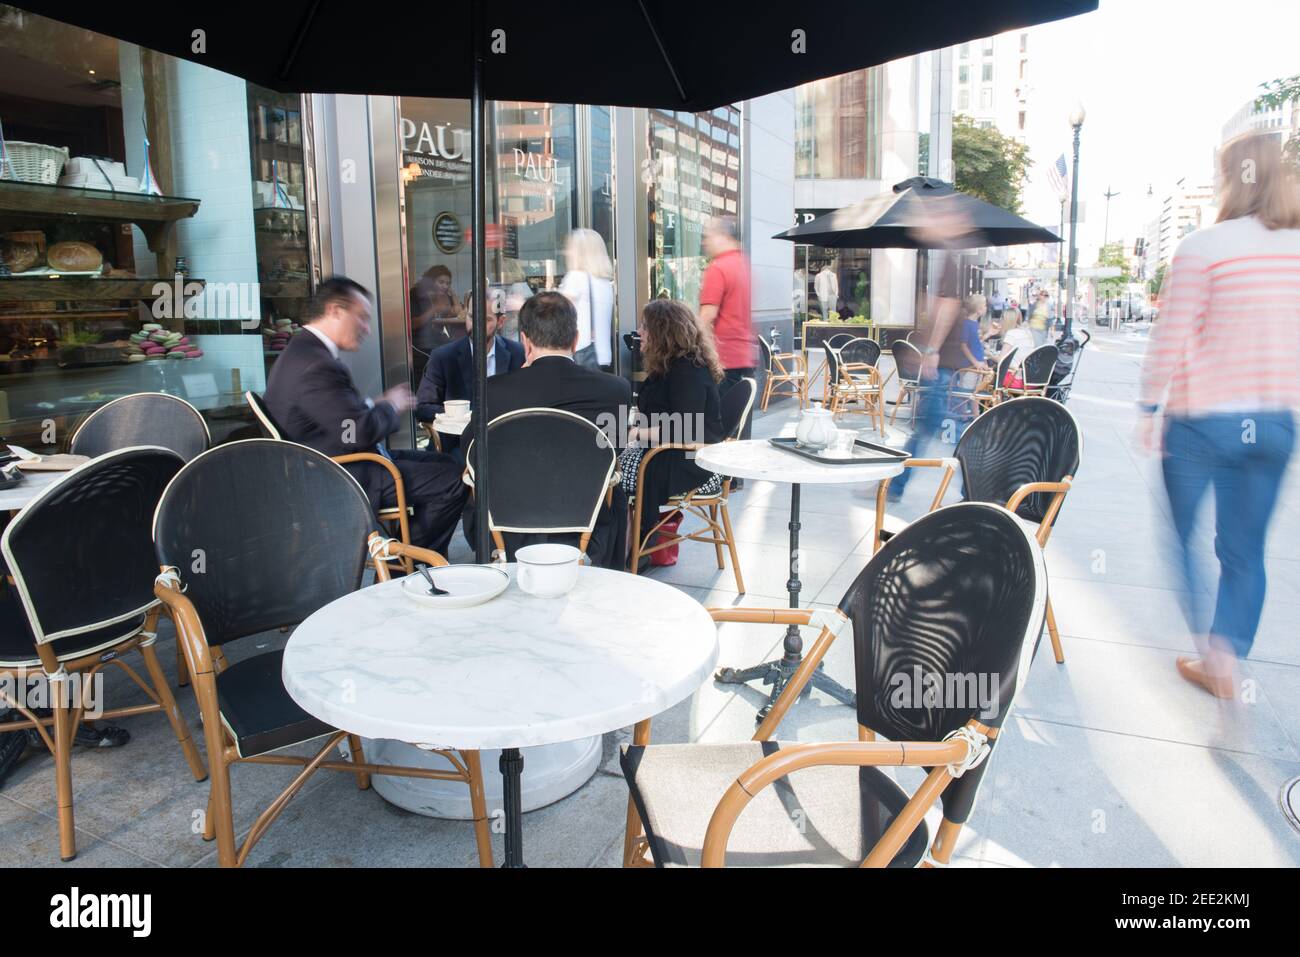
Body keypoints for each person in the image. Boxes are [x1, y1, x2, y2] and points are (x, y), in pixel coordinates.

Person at [1137, 132, 1300, 701]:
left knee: (1181, 536)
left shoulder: (1206, 246)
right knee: (1245, 548)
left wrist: (1146, 407)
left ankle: (1212, 654)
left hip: (1203, 420)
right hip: (1275, 422)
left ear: (1233, 178)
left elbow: (1171, 335)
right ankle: (1226, 653)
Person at [265, 276, 468, 557]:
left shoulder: (303, 352)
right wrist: (392, 405)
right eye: (361, 318)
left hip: (338, 462)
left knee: (446, 464)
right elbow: (356, 433)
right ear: (335, 310)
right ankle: (408, 564)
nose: (367, 329)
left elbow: (335, 416)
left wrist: (375, 402)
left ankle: (403, 558)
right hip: (345, 473)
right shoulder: (315, 364)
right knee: (456, 479)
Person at [464, 291, 632, 569]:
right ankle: (612, 574)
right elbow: (615, 449)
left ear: (524, 341)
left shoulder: (493, 391)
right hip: (585, 523)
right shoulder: (615, 389)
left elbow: (469, 452)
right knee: (617, 488)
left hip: (507, 524)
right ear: (576, 340)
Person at [619, 299, 726, 548]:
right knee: (609, 459)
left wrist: (635, 433)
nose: (640, 333)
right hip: (672, 453)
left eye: (645, 327)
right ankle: (629, 546)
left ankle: (630, 550)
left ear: (662, 332)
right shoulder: (673, 366)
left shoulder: (687, 372)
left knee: (610, 476)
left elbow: (686, 429)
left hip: (691, 461)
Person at [888, 198, 970, 502]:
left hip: (942, 362)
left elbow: (948, 305)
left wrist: (931, 349)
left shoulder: (949, 255)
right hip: (943, 361)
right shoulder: (949, 257)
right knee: (936, 427)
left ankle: (895, 486)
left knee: (930, 428)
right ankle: (973, 489)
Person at [415, 290, 525, 448]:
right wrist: (459, 414)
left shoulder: (517, 353)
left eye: (486, 319)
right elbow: (422, 407)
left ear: (501, 322)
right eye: (472, 317)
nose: (477, 325)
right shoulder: (444, 356)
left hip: (506, 444)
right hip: (455, 446)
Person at [699, 216, 756, 478]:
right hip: (745, 355)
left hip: (723, 356)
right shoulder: (744, 264)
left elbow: (707, 315)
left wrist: (688, 340)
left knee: (718, 420)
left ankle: (720, 477)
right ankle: (737, 475)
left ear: (724, 236)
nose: (705, 242)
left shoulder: (718, 267)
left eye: (708, 236)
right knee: (740, 418)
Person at [558, 228, 615, 371]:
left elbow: (553, 312)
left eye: (571, 248)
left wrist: (521, 304)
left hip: (582, 354)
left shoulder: (576, 277)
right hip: (603, 356)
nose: (567, 253)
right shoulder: (605, 284)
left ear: (581, 253)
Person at [409, 264, 461, 386]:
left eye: (448, 283)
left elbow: (457, 312)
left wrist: (452, 294)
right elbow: (413, 324)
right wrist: (434, 309)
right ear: (431, 281)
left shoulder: (443, 295)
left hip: (437, 338)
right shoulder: (416, 294)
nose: (444, 286)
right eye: (441, 282)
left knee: (459, 349)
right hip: (420, 344)